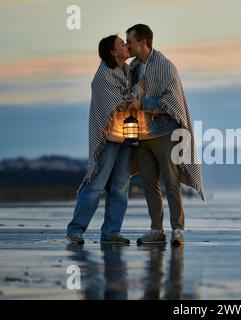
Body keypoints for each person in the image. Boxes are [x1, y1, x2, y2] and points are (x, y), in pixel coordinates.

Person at [125, 24, 205, 246]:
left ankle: (177, 230)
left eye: (129, 41)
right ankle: (156, 230)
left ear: (143, 42)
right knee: (150, 185)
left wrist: (143, 102)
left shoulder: (166, 66)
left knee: (171, 182)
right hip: (141, 136)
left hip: (164, 132)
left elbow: (172, 102)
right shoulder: (133, 68)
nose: (127, 45)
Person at [66, 35, 145, 245]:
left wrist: (135, 91)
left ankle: (111, 233)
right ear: (112, 52)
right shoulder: (103, 76)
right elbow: (121, 102)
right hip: (107, 137)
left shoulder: (128, 72)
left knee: (120, 187)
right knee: (96, 184)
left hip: (127, 134)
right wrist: (137, 91)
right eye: (122, 44)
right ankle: (75, 230)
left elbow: (129, 99)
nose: (127, 46)